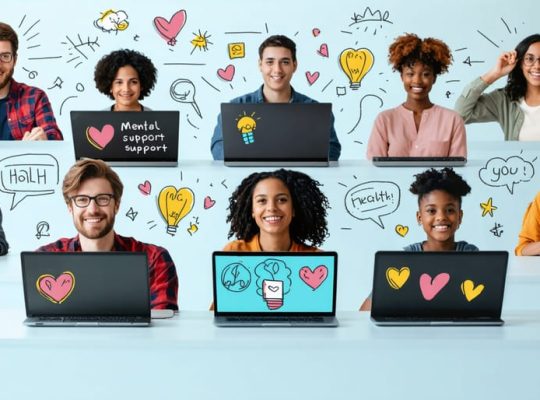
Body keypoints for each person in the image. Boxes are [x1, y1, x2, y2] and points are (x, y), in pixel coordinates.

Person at [37, 159, 178, 310]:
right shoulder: (46, 259)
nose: (92, 209)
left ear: (116, 205)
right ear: (70, 207)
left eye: (102, 199)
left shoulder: (154, 259)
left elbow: (163, 328)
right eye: (82, 200)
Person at [359, 167, 477, 311]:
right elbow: (365, 311)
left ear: (460, 217)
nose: (441, 217)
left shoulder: (470, 253)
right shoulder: (406, 259)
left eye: (450, 210)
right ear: (419, 218)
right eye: (431, 211)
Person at [210, 35, 341, 161]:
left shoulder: (315, 111)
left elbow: (332, 149)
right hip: (250, 179)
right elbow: (218, 147)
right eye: (270, 62)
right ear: (260, 65)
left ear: (294, 65)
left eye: (285, 62)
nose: (277, 69)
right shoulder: (236, 107)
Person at [366, 33, 466, 159]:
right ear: (401, 76)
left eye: (425, 74)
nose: (417, 81)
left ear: (434, 78)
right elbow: (374, 168)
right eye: (410, 74)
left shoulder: (453, 120)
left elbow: (457, 170)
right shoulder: (384, 120)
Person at [455, 34, 540, 141]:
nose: (537, 66)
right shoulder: (505, 100)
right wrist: (495, 73)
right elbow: (460, 115)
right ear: (520, 64)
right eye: (529, 59)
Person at [224, 169, 329, 251]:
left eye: (282, 200)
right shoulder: (233, 251)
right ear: (252, 211)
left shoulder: (315, 258)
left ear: (294, 209)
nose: (271, 208)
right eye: (262, 200)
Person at [0, 22, 62, 141]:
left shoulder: (34, 97)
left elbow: (54, 137)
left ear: (15, 60)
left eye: (5, 56)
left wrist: (46, 141)